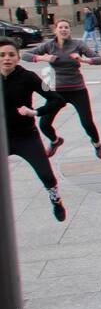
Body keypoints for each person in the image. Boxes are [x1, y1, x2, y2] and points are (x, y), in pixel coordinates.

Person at [1, 37, 67, 221]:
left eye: (11, 55)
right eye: (2, 55)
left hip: (25, 137)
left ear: (18, 57)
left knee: (46, 174)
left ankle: (55, 200)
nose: (6, 58)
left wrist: (36, 112)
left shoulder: (28, 77)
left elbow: (57, 99)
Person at [21, 19, 101, 160]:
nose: (64, 30)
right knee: (44, 123)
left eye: (66, 27)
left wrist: (83, 60)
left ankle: (97, 144)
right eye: (60, 27)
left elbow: (99, 59)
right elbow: (25, 55)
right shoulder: (49, 45)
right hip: (59, 91)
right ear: (56, 30)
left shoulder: (78, 44)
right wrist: (43, 57)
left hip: (78, 89)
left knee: (87, 123)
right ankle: (55, 141)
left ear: (69, 30)